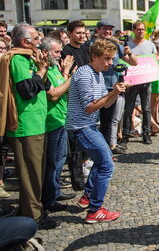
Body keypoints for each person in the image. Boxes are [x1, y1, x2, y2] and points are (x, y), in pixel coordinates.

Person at [1, 23, 60, 229]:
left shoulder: (29, 59)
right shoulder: (17, 59)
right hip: (25, 126)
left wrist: (43, 67)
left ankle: (30, 210)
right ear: (25, 41)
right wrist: (41, 69)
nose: (39, 42)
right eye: (36, 39)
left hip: (37, 123)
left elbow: (42, 85)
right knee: (30, 174)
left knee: (37, 172)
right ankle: (33, 215)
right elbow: (26, 90)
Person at [67, 39, 129, 223]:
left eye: (112, 59)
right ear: (94, 57)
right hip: (81, 127)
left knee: (103, 160)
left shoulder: (98, 73)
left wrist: (116, 93)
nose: (110, 63)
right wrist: (112, 93)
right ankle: (95, 210)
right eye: (107, 59)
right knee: (106, 165)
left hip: (88, 126)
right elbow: (90, 107)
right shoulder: (86, 74)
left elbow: (105, 104)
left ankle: (87, 197)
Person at [87, 20, 135, 154]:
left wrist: (128, 53)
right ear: (97, 30)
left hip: (112, 88)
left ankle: (108, 147)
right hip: (96, 88)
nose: (108, 32)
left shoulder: (117, 46)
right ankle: (95, 150)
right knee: (94, 121)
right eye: (104, 29)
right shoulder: (90, 46)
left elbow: (132, 63)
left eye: (110, 29)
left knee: (109, 120)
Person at [41, 37, 76, 213]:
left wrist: (66, 72)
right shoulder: (43, 70)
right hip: (50, 121)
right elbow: (54, 94)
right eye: (56, 51)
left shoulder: (55, 67)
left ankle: (55, 191)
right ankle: (48, 199)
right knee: (51, 163)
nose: (60, 54)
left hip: (61, 119)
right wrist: (71, 78)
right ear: (45, 52)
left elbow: (62, 86)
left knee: (60, 159)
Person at [120, 21, 156, 145]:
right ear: (134, 30)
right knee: (128, 108)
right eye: (138, 29)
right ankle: (125, 135)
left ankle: (146, 134)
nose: (140, 31)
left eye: (142, 29)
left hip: (146, 81)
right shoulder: (127, 45)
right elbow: (124, 61)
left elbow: (153, 61)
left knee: (146, 108)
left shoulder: (150, 45)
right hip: (132, 81)